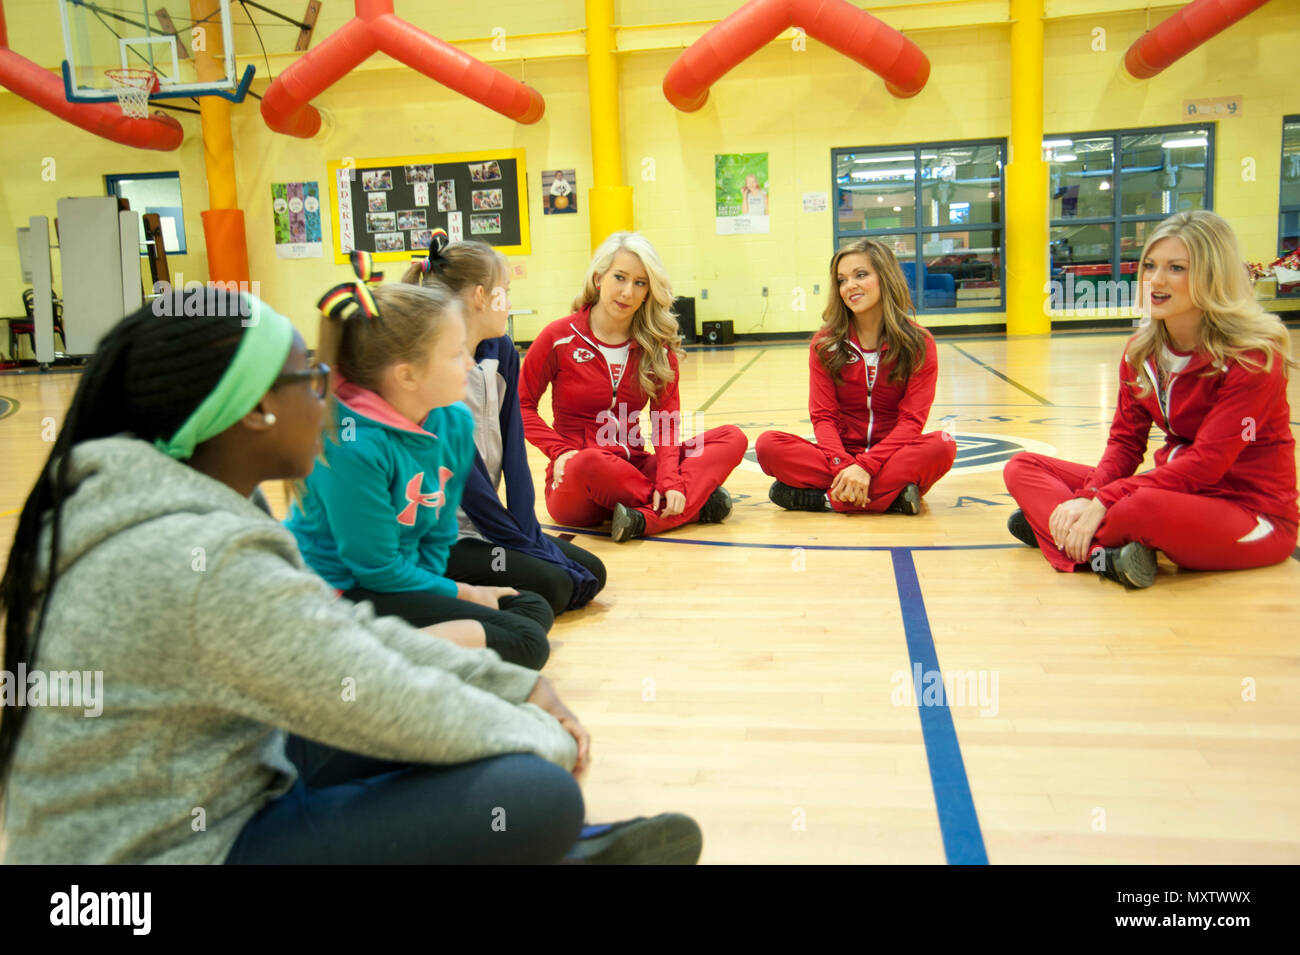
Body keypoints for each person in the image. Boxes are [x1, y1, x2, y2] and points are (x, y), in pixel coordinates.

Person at [0, 286, 701, 863]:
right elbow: (378, 695)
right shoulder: (202, 554)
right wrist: (539, 734)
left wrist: (513, 684)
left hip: (220, 782)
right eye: (311, 378)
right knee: (533, 791)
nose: (330, 395)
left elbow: (344, 643)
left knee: (488, 755)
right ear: (251, 411)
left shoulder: (173, 494)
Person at [1002, 210, 1298, 588]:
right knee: (1023, 467)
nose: (1155, 281)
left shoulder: (1253, 355)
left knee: (1137, 508)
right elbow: (1125, 444)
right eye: (1150, 266)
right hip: (1174, 491)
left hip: (1250, 512)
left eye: (1176, 268)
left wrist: (1103, 501)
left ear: (1213, 276)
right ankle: (1104, 553)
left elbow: (1207, 465)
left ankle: (1061, 531)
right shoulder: (1140, 351)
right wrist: (1093, 494)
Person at [286, 253, 553, 670]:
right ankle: (356, 655)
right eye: (454, 354)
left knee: (531, 606)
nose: (470, 362)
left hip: (398, 577)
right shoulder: (351, 445)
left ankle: (395, 654)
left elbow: (438, 531)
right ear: (407, 376)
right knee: (526, 641)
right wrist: (461, 594)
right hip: (341, 591)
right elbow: (374, 569)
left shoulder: (452, 419)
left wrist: (442, 591)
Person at [403, 234, 606, 616]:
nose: (509, 303)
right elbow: (469, 484)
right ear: (481, 297)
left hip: (489, 526)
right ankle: (449, 590)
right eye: (505, 291)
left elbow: (514, 453)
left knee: (593, 571)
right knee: (558, 586)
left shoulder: (503, 352)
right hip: (448, 536)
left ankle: (505, 564)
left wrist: (528, 532)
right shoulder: (436, 368)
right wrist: (517, 542)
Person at [520, 231, 748, 542]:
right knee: (589, 461)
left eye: (640, 283)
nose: (627, 292)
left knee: (731, 438)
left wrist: (669, 478)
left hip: (635, 467)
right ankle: (686, 507)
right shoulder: (559, 337)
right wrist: (559, 451)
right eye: (620, 277)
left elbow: (666, 423)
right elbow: (521, 406)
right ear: (599, 277)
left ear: (648, 292)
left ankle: (643, 519)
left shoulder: (657, 348)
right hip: (580, 477)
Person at [755, 238, 956, 514]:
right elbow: (823, 417)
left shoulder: (918, 343)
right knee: (768, 445)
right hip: (837, 457)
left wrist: (867, 466)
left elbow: (912, 422)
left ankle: (824, 499)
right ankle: (892, 497)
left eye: (860, 275)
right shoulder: (825, 344)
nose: (850, 286)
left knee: (943, 445)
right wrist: (845, 465)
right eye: (842, 280)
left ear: (885, 277)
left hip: (892, 456)